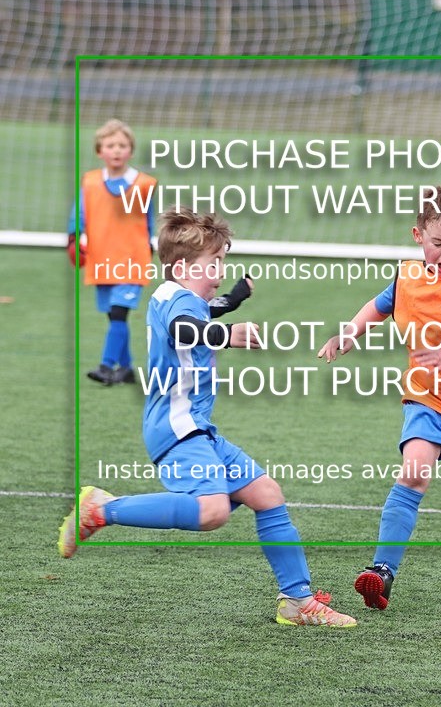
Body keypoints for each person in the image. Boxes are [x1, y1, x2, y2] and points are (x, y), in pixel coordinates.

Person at [59, 207, 356, 628]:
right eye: (212, 264)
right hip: (176, 429)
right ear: (182, 267)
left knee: (267, 493)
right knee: (212, 511)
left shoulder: (176, 293)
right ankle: (101, 510)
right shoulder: (176, 303)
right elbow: (185, 328)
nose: (219, 271)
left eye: (222, 262)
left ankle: (298, 602)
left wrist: (235, 297)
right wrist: (228, 336)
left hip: (198, 430)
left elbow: (204, 309)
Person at [318, 187, 441, 611]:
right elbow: (377, 307)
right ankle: (382, 572)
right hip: (425, 397)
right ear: (418, 235)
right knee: (414, 472)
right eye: (438, 243)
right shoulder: (407, 276)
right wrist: (348, 334)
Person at [68, 119, 156, 386]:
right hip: (101, 257)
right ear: (99, 151)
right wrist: (72, 238)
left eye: (122, 145)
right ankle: (127, 368)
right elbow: (78, 214)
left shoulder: (144, 183)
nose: (116, 150)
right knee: (113, 315)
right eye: (110, 145)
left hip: (132, 259)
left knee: (119, 313)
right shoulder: (90, 182)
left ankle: (106, 367)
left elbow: (148, 221)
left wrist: (150, 248)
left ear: (131, 150)